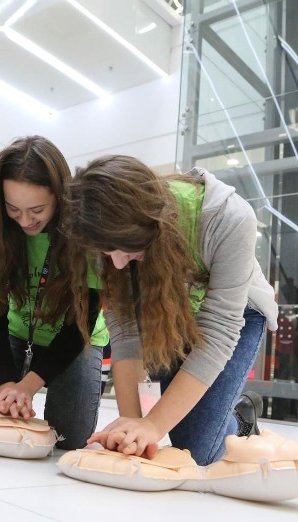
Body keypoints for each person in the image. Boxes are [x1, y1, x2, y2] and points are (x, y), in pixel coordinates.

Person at [64, 157, 279, 466]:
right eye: (108, 253)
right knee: (167, 427)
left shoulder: (229, 217)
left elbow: (220, 330)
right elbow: (125, 335)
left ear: (151, 221)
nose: (118, 263)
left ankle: (241, 422)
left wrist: (153, 425)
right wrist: (131, 429)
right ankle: (217, 412)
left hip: (235, 318)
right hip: (167, 315)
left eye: (126, 250)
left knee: (196, 449)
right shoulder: (101, 234)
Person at [0, 136, 108, 450]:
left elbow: (79, 326)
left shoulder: (84, 233)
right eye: (14, 209)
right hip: (15, 333)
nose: (25, 221)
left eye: (37, 210)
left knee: (69, 437)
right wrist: (8, 385)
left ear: (59, 196)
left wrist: (28, 385)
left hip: (78, 339)